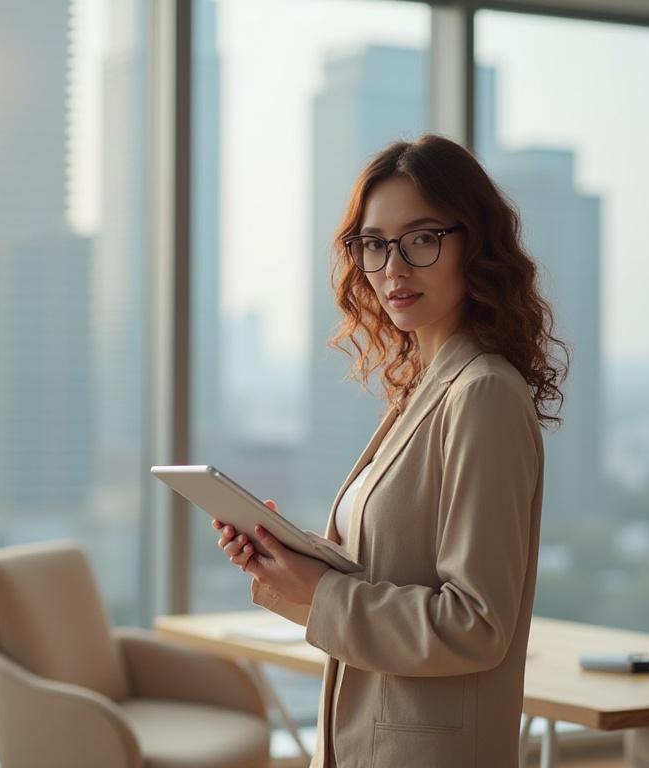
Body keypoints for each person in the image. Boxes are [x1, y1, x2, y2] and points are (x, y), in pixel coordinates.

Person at [214, 134, 567, 768]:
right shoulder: (423, 390)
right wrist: (286, 565)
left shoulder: (481, 394)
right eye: (374, 244)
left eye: (422, 239)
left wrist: (320, 590)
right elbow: (386, 575)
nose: (393, 268)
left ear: (475, 243)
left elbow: (477, 625)